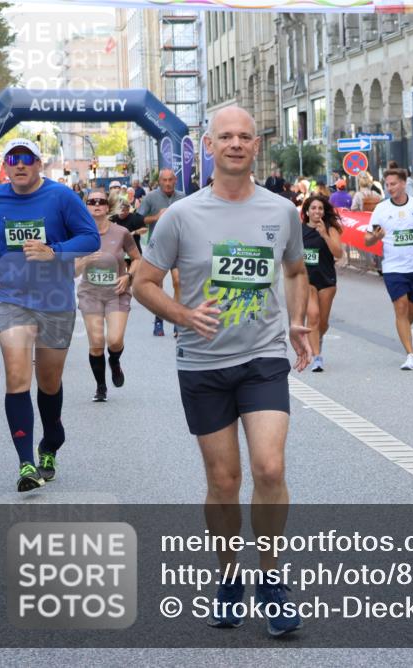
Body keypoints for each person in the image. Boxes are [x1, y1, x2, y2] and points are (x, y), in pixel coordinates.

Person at [133, 106, 312, 636]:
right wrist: (183, 314)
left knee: (270, 469)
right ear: (208, 147)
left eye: (244, 136)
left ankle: (272, 583)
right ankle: (229, 575)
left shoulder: (281, 212)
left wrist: (298, 321)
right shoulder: (181, 216)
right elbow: (144, 283)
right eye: (225, 137)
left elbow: (296, 269)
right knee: (224, 480)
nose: (235, 144)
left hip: (263, 357)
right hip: (203, 363)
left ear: (257, 146)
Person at [0, 138, 100, 491]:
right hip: (10, 297)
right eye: (13, 158)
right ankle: (26, 464)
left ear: (40, 164)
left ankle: (51, 441)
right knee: (16, 375)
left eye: (28, 158)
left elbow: (90, 238)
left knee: (50, 382)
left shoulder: (61, 197)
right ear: (5, 166)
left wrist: (54, 251)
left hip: (55, 299)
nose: (20, 164)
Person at [363, 167, 413, 370]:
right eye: (387, 185)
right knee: (401, 307)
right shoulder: (381, 208)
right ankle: (411, 354)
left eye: (393, 184)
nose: (390, 188)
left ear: (404, 183)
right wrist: (376, 237)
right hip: (392, 267)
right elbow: (367, 239)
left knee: (412, 311)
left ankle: (403, 327)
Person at [76, 189, 141, 402]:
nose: (96, 204)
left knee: (114, 341)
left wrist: (128, 277)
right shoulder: (79, 235)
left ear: (107, 206)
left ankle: (114, 361)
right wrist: (84, 261)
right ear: (85, 206)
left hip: (117, 293)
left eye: (101, 201)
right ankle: (101, 387)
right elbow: (72, 271)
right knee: (96, 343)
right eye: (91, 201)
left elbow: (137, 259)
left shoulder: (121, 232)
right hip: (90, 293)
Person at [138, 168, 185, 336]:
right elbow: (138, 219)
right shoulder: (151, 197)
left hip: (179, 246)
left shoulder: (182, 197)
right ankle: (159, 319)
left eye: (170, 180)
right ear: (159, 182)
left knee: (178, 281)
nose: (167, 183)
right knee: (157, 285)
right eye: (164, 180)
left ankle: (177, 321)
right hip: (158, 246)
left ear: (175, 180)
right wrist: (156, 217)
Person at [299, 194, 343, 372]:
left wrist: (324, 234)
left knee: (323, 323)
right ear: (307, 212)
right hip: (306, 279)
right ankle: (317, 357)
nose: (317, 211)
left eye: (320, 208)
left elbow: (338, 253)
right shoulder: (299, 230)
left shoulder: (331, 229)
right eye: (313, 208)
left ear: (324, 212)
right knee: (313, 317)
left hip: (326, 279)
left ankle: (317, 339)